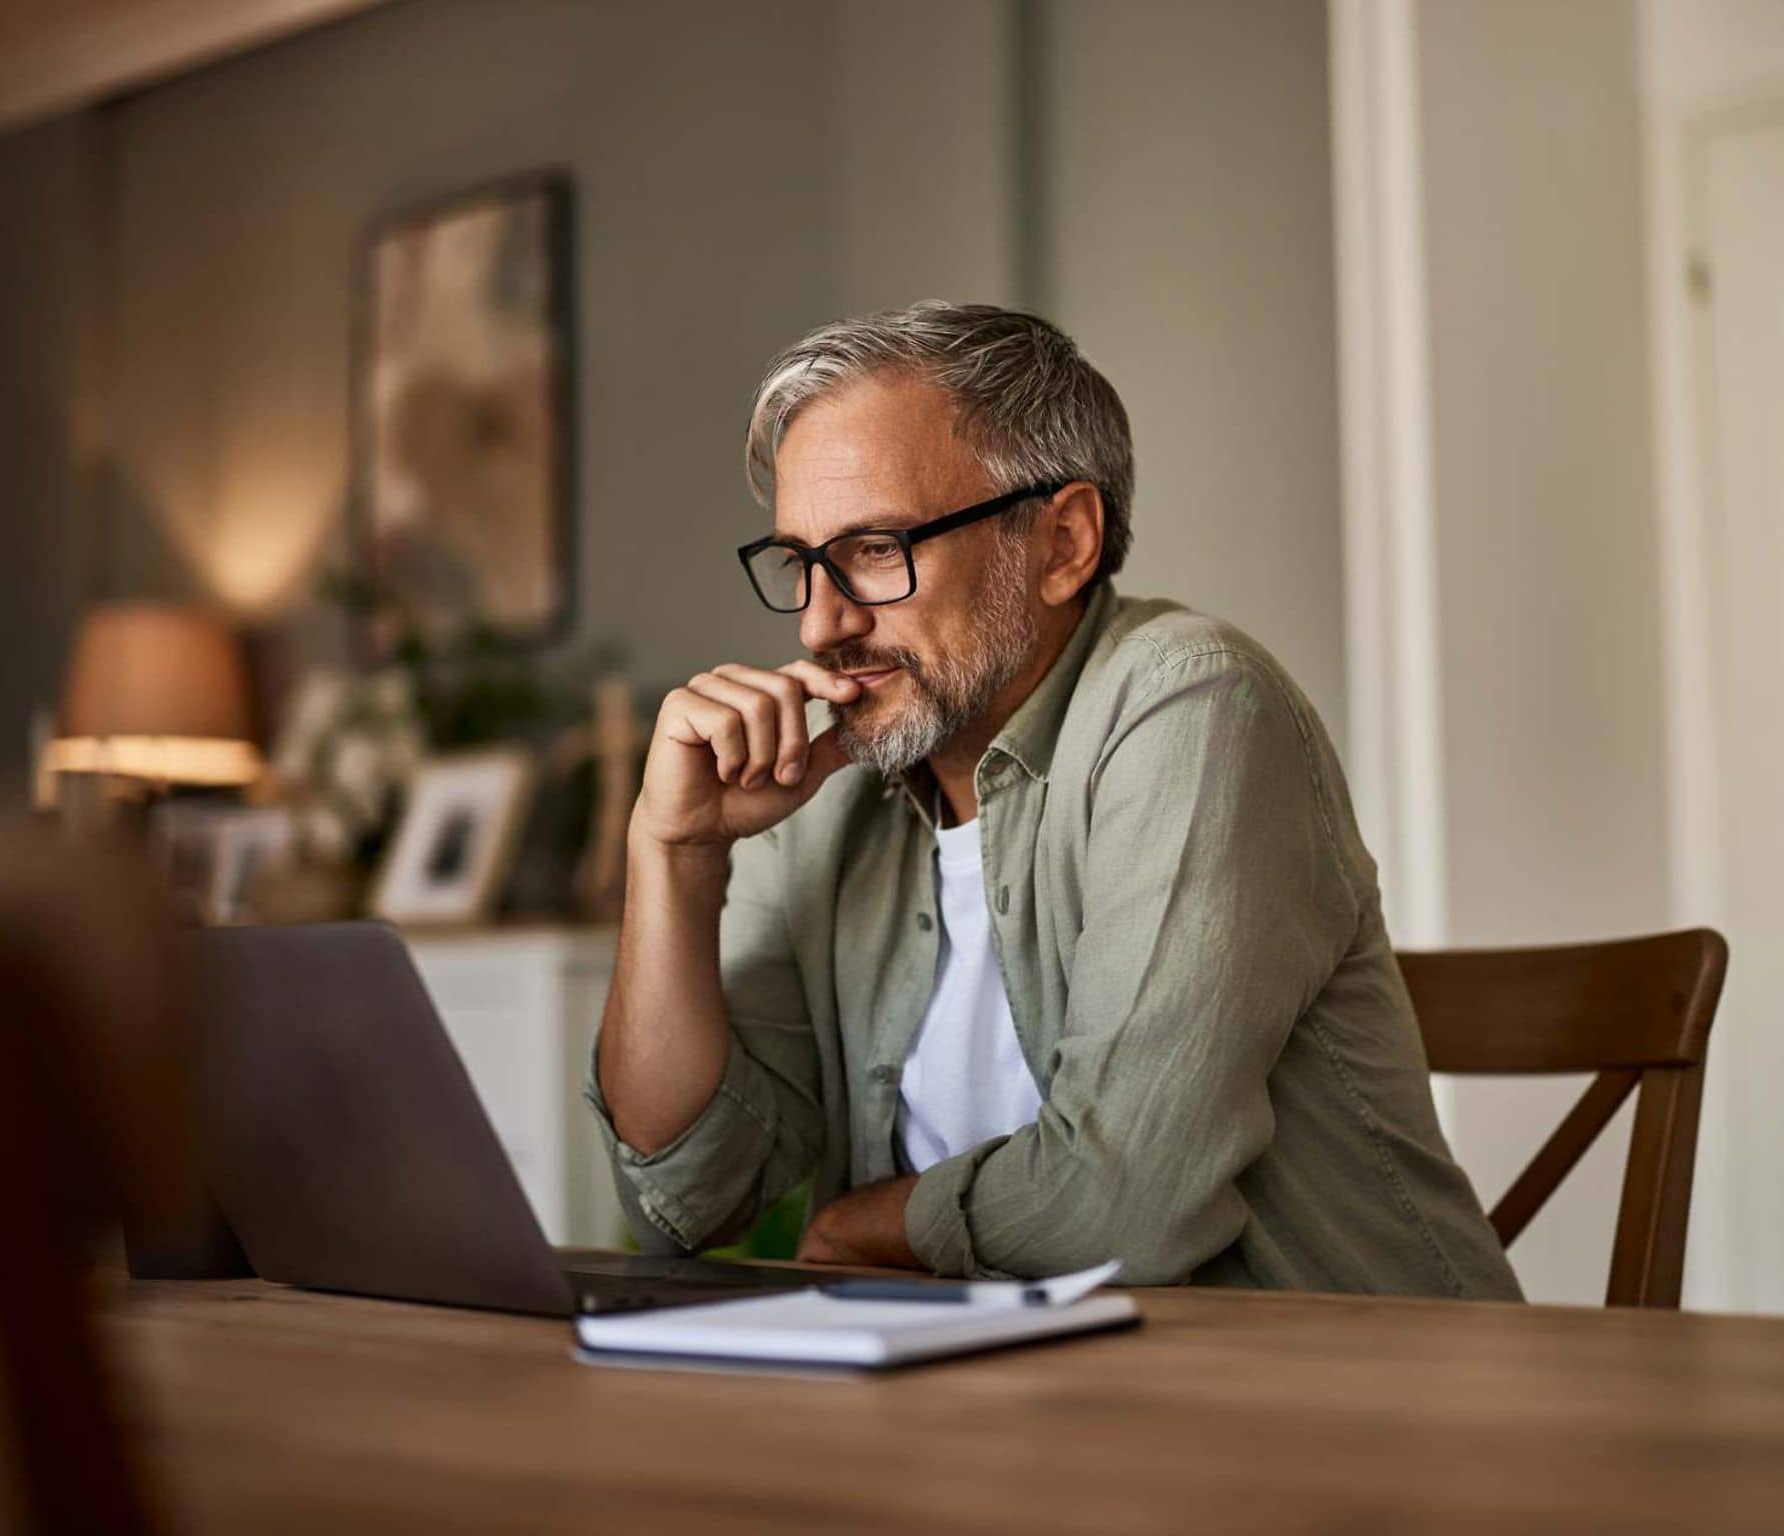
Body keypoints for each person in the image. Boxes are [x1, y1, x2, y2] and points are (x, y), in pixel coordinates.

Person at [587, 302, 1520, 1297]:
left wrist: (873, 1225)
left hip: (1335, 1402)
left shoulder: (1189, 702)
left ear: (1062, 541)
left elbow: (1124, 1205)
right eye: (799, 564)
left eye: (873, 550)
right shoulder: (827, 780)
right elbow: (684, 1197)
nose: (820, 625)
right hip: (985, 1399)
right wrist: (674, 853)